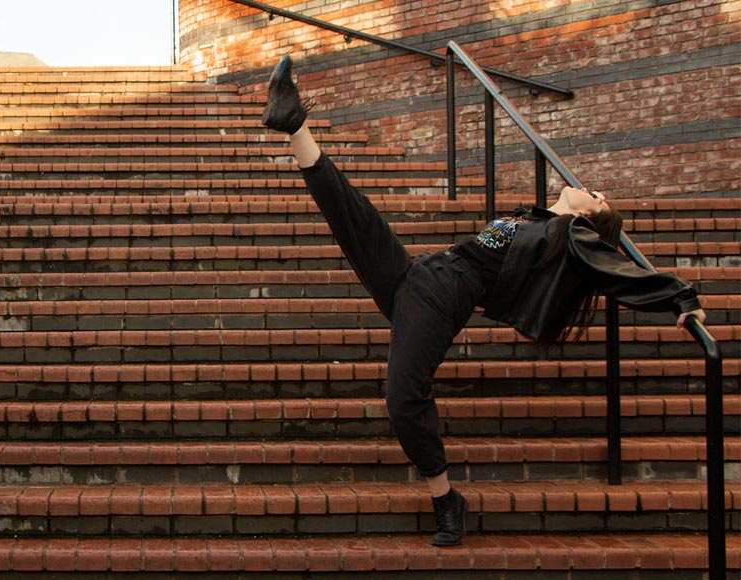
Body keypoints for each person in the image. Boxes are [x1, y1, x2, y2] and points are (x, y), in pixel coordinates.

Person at [260, 56, 707, 547]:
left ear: (593, 219)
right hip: (424, 274)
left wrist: (679, 298)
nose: (585, 187)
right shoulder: (536, 219)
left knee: (404, 400)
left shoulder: (572, 234)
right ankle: (293, 122)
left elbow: (615, 270)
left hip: (442, 294)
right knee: (352, 216)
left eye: (596, 196)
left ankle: (446, 499)